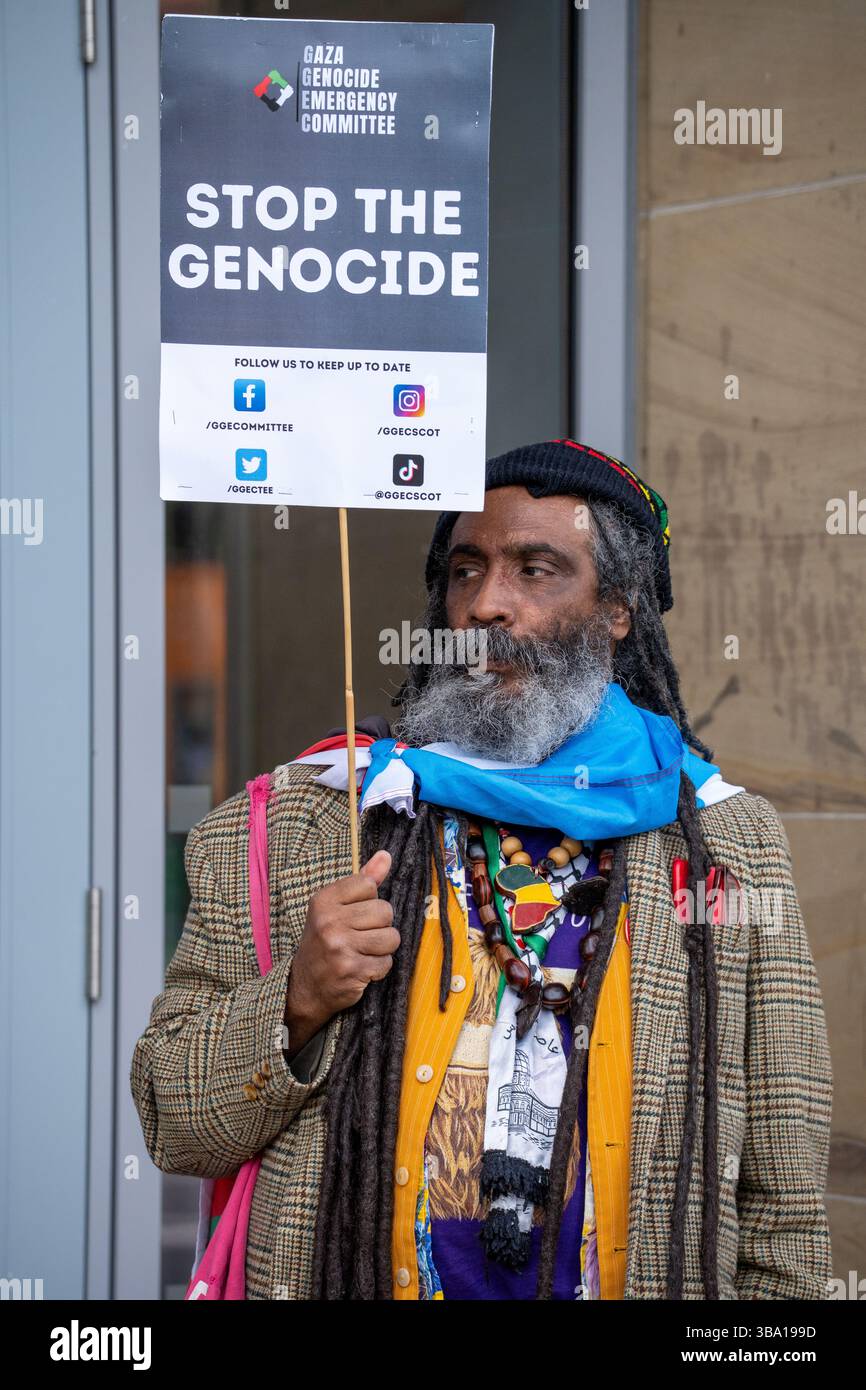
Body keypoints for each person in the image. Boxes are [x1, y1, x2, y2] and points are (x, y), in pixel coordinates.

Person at [131, 438, 833, 1300]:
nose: (486, 606)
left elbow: (785, 1212)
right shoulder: (309, 824)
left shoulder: (726, 846)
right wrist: (297, 1000)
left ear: (617, 609)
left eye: (536, 570)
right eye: (466, 571)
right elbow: (172, 1119)